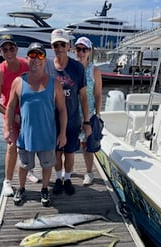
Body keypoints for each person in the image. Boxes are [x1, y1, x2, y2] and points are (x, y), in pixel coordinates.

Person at [4, 42, 67, 207]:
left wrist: (63, 134)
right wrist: (7, 129)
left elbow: (62, 110)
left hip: (48, 136)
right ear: (27, 58)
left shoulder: (55, 84)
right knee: (24, 165)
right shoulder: (18, 82)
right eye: (32, 55)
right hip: (25, 136)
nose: (36, 59)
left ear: (45, 60)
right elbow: (10, 107)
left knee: (47, 165)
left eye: (40, 55)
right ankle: (22, 188)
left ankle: (44, 189)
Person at [0, 34, 39, 198]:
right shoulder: (0, 72)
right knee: (12, 146)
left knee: (30, 143)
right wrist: (12, 116)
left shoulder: (25, 65)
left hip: (28, 111)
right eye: (5, 49)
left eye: (11, 48)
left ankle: (29, 170)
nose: (9, 51)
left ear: (16, 50)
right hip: (10, 113)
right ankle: (7, 182)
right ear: (1, 52)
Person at [46, 29, 91, 195]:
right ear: (52, 46)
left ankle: (68, 178)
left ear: (68, 46)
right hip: (52, 120)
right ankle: (58, 178)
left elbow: (84, 96)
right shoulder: (46, 66)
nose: (59, 48)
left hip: (72, 119)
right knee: (56, 152)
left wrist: (86, 121)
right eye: (56, 44)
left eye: (62, 44)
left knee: (70, 152)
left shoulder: (77, 67)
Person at [74, 36, 102, 185]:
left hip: (88, 114)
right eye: (78, 49)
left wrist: (97, 115)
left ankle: (89, 172)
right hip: (72, 114)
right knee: (70, 144)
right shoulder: (71, 68)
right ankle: (68, 169)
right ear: (74, 50)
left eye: (84, 49)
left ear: (89, 51)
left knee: (86, 145)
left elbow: (98, 94)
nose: (81, 52)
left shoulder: (95, 70)